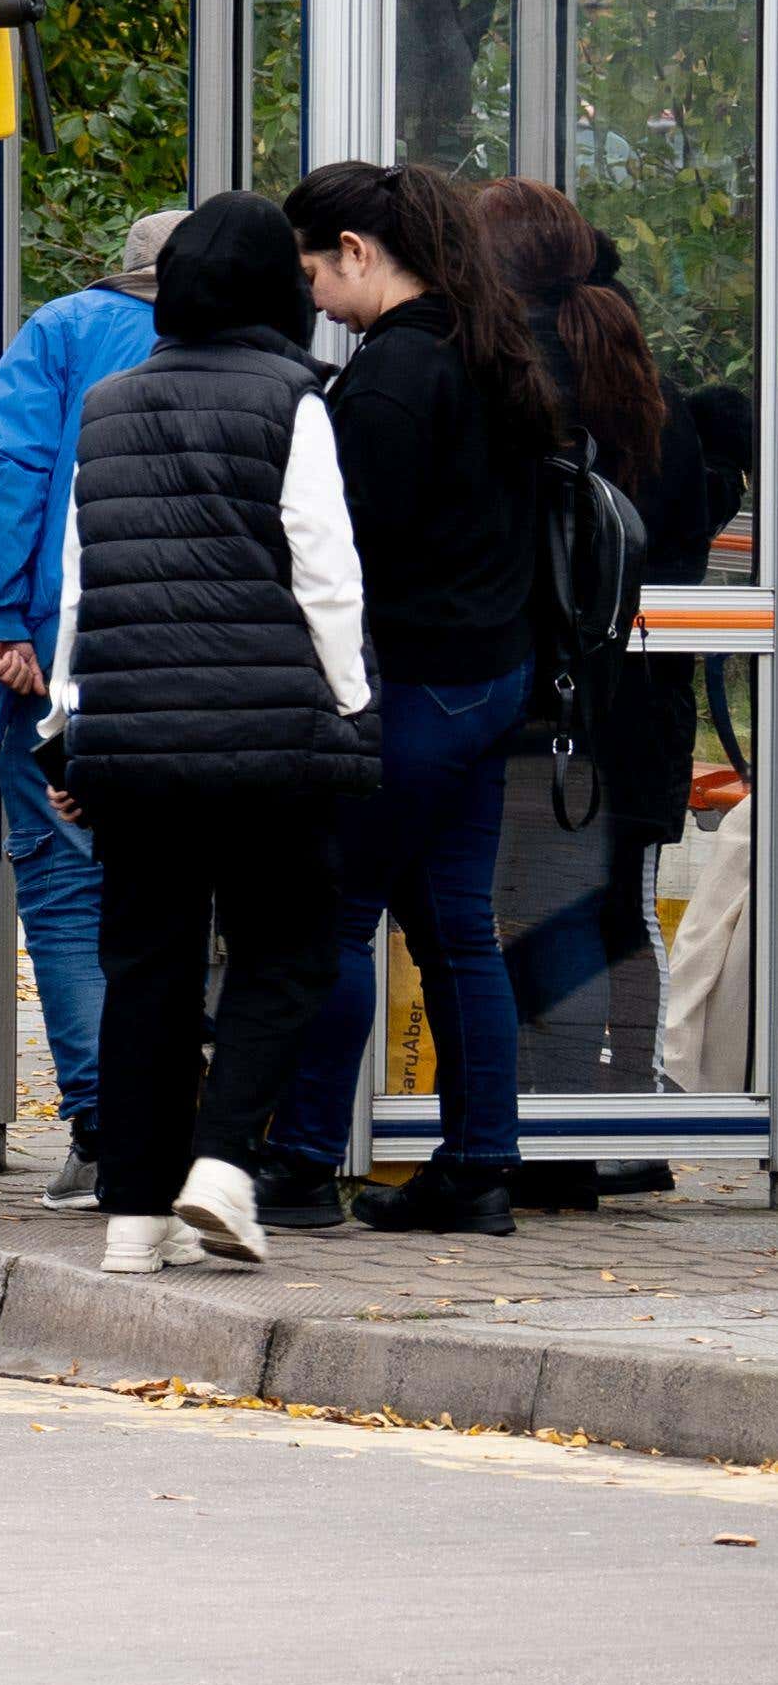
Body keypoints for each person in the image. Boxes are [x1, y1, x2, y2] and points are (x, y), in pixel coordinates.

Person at [52, 192, 373, 1274]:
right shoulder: (294, 399)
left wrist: (68, 715)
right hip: (267, 736)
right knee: (287, 949)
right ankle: (225, 1162)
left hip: (133, 741)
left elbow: (81, 580)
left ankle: (133, 1217)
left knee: (147, 968)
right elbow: (324, 572)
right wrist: (351, 702)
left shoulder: (106, 405)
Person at [263, 158, 557, 1236]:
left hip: (412, 686)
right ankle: (476, 1168)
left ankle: (299, 1162)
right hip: (489, 680)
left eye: (313, 273)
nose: (313, 301)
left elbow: (346, 554)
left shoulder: (389, 377)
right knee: (458, 932)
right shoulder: (488, 348)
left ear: (356, 251)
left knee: (331, 917)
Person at [0, 208, 180, 1207]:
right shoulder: (264, 351)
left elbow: (5, 466)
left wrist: (3, 617)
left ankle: (103, 1129)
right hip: (208, 667)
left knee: (63, 886)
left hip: (59, 659)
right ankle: (197, 1121)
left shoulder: (63, 329)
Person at [473, 180, 689, 1194]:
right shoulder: (646, 390)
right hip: (636, 702)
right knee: (611, 915)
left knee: (528, 913)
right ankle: (615, 1118)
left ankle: (544, 1126)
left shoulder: (515, 384)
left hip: (547, 704)